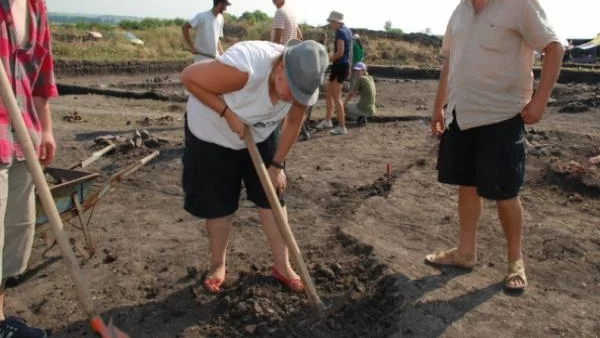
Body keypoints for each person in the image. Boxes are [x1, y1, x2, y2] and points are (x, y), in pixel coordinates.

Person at [426, 0, 564, 291]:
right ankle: (465, 252)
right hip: (461, 115)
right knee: (467, 183)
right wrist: (439, 107)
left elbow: (553, 48)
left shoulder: (519, 4)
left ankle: (515, 261)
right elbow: (449, 61)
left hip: (501, 115)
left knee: (505, 192)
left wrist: (540, 100)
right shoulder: (460, 11)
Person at [180, 39, 328, 294]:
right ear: (280, 66)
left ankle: (283, 266)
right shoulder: (244, 69)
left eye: (299, 94)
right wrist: (226, 113)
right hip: (211, 131)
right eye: (290, 89)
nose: (292, 98)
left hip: (261, 132)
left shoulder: (302, 84)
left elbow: (293, 123)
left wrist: (277, 165)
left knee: (272, 198)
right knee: (218, 202)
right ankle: (218, 265)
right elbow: (189, 78)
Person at [0, 0, 58, 336]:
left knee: (13, 235)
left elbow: (41, 70)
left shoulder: (36, 5)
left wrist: (46, 128)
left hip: (23, 136)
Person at [317, 11, 352, 136]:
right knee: (328, 92)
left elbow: (340, 53)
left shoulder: (341, 33)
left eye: (332, 22)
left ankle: (342, 127)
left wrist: (325, 59)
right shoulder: (346, 30)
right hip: (339, 65)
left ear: (337, 22)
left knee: (336, 97)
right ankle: (328, 120)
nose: (331, 24)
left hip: (340, 66)